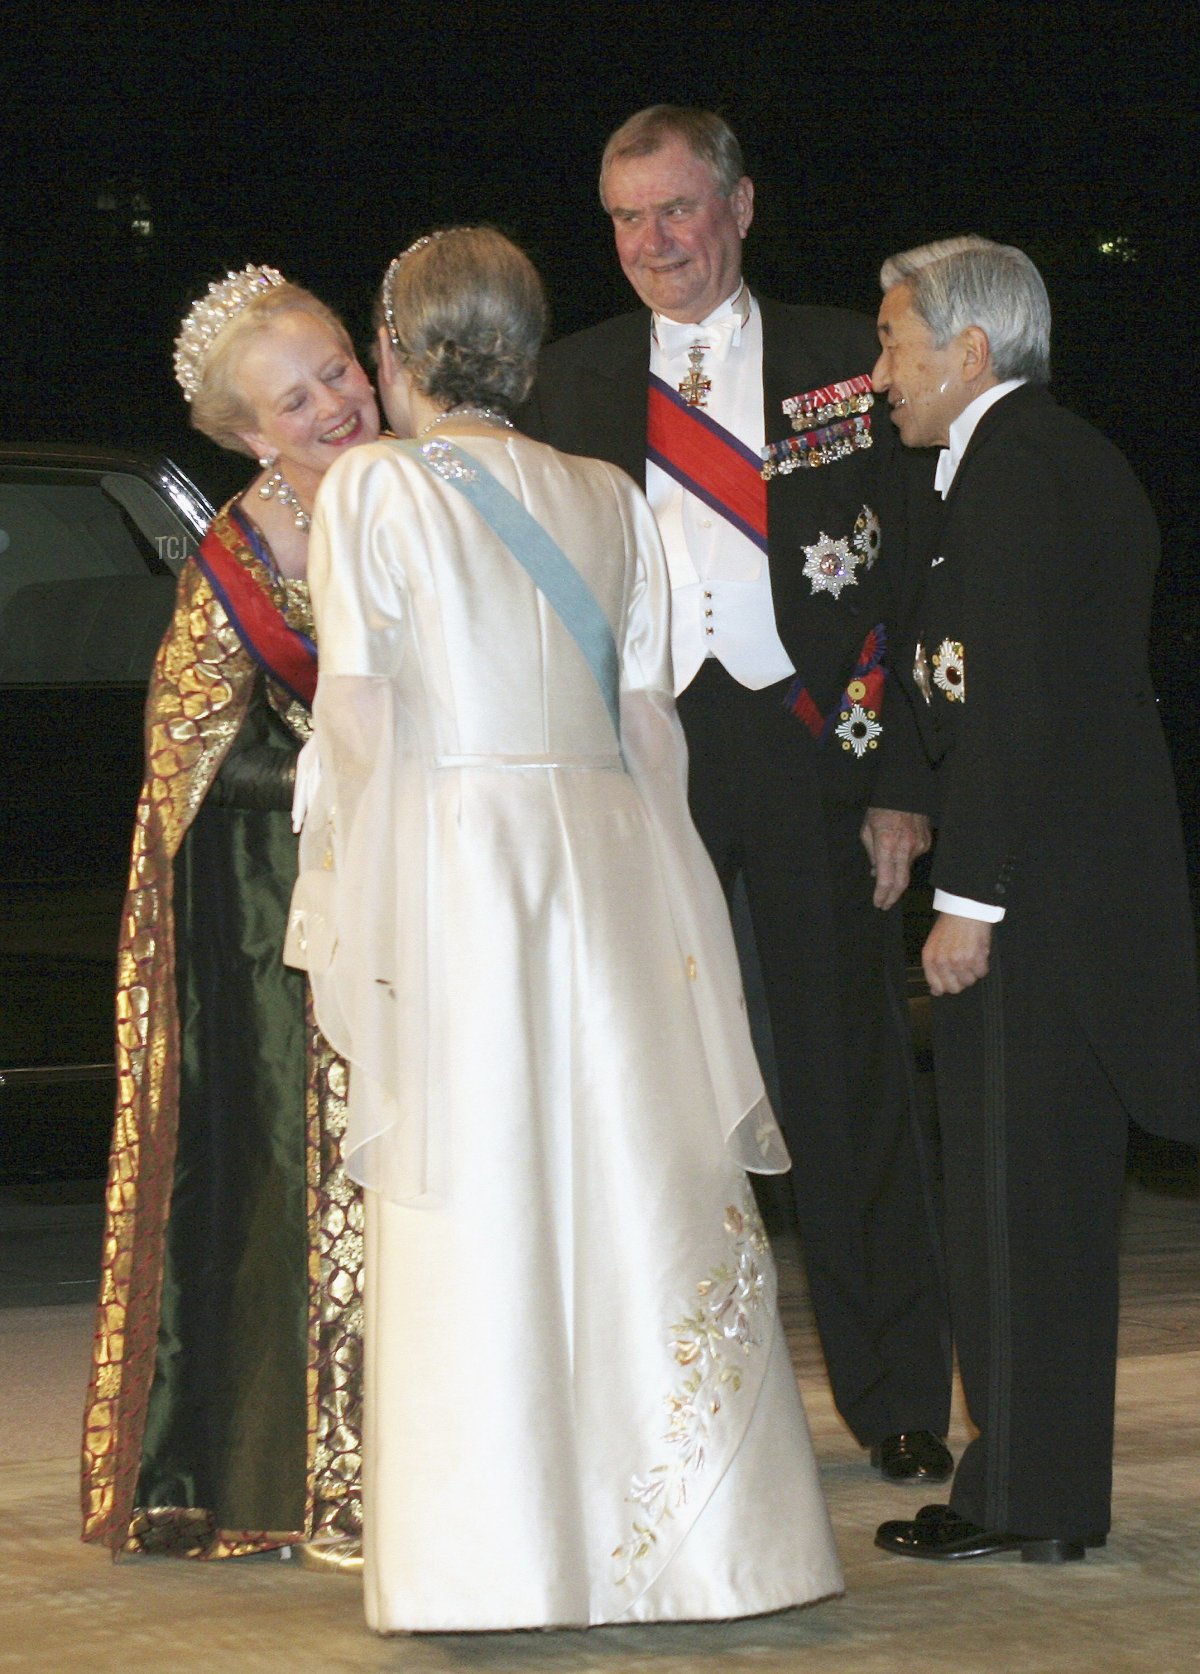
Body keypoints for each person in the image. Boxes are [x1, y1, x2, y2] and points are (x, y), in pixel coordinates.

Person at [287, 226, 844, 1632]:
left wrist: (349, 895)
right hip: (604, 855)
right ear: (528, 352)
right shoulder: (609, 493)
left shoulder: (371, 489)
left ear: (402, 351)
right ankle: (711, 1541)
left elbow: (357, 715)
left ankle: (494, 1553)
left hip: (466, 862)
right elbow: (653, 732)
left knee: (485, 1182)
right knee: (627, 1174)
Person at [520, 105, 953, 1482]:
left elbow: (915, 579)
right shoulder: (568, 380)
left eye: (680, 209)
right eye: (629, 219)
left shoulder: (848, 356)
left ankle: (896, 1396)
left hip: (811, 743)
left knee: (845, 1077)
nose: (656, 243)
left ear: (742, 206)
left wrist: (902, 782)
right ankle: (669, 1401)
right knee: (646, 1084)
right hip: (643, 756)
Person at [869, 236, 1200, 1562]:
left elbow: (1012, 711)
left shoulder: (1017, 476)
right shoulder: (1030, 462)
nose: (880, 368)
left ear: (969, 352)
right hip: (1067, 890)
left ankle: (1026, 1499)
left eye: (895, 343)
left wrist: (971, 900)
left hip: (1044, 904)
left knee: (1020, 1205)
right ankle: (1038, 1495)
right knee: (1040, 1205)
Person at [80, 266, 381, 1564]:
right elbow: (186, 758)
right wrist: (339, 764)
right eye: (294, 398)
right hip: (295, 921)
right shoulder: (244, 555)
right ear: (252, 434)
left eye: (337, 370)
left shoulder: (437, 479)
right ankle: (316, 1475)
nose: (331, 404)